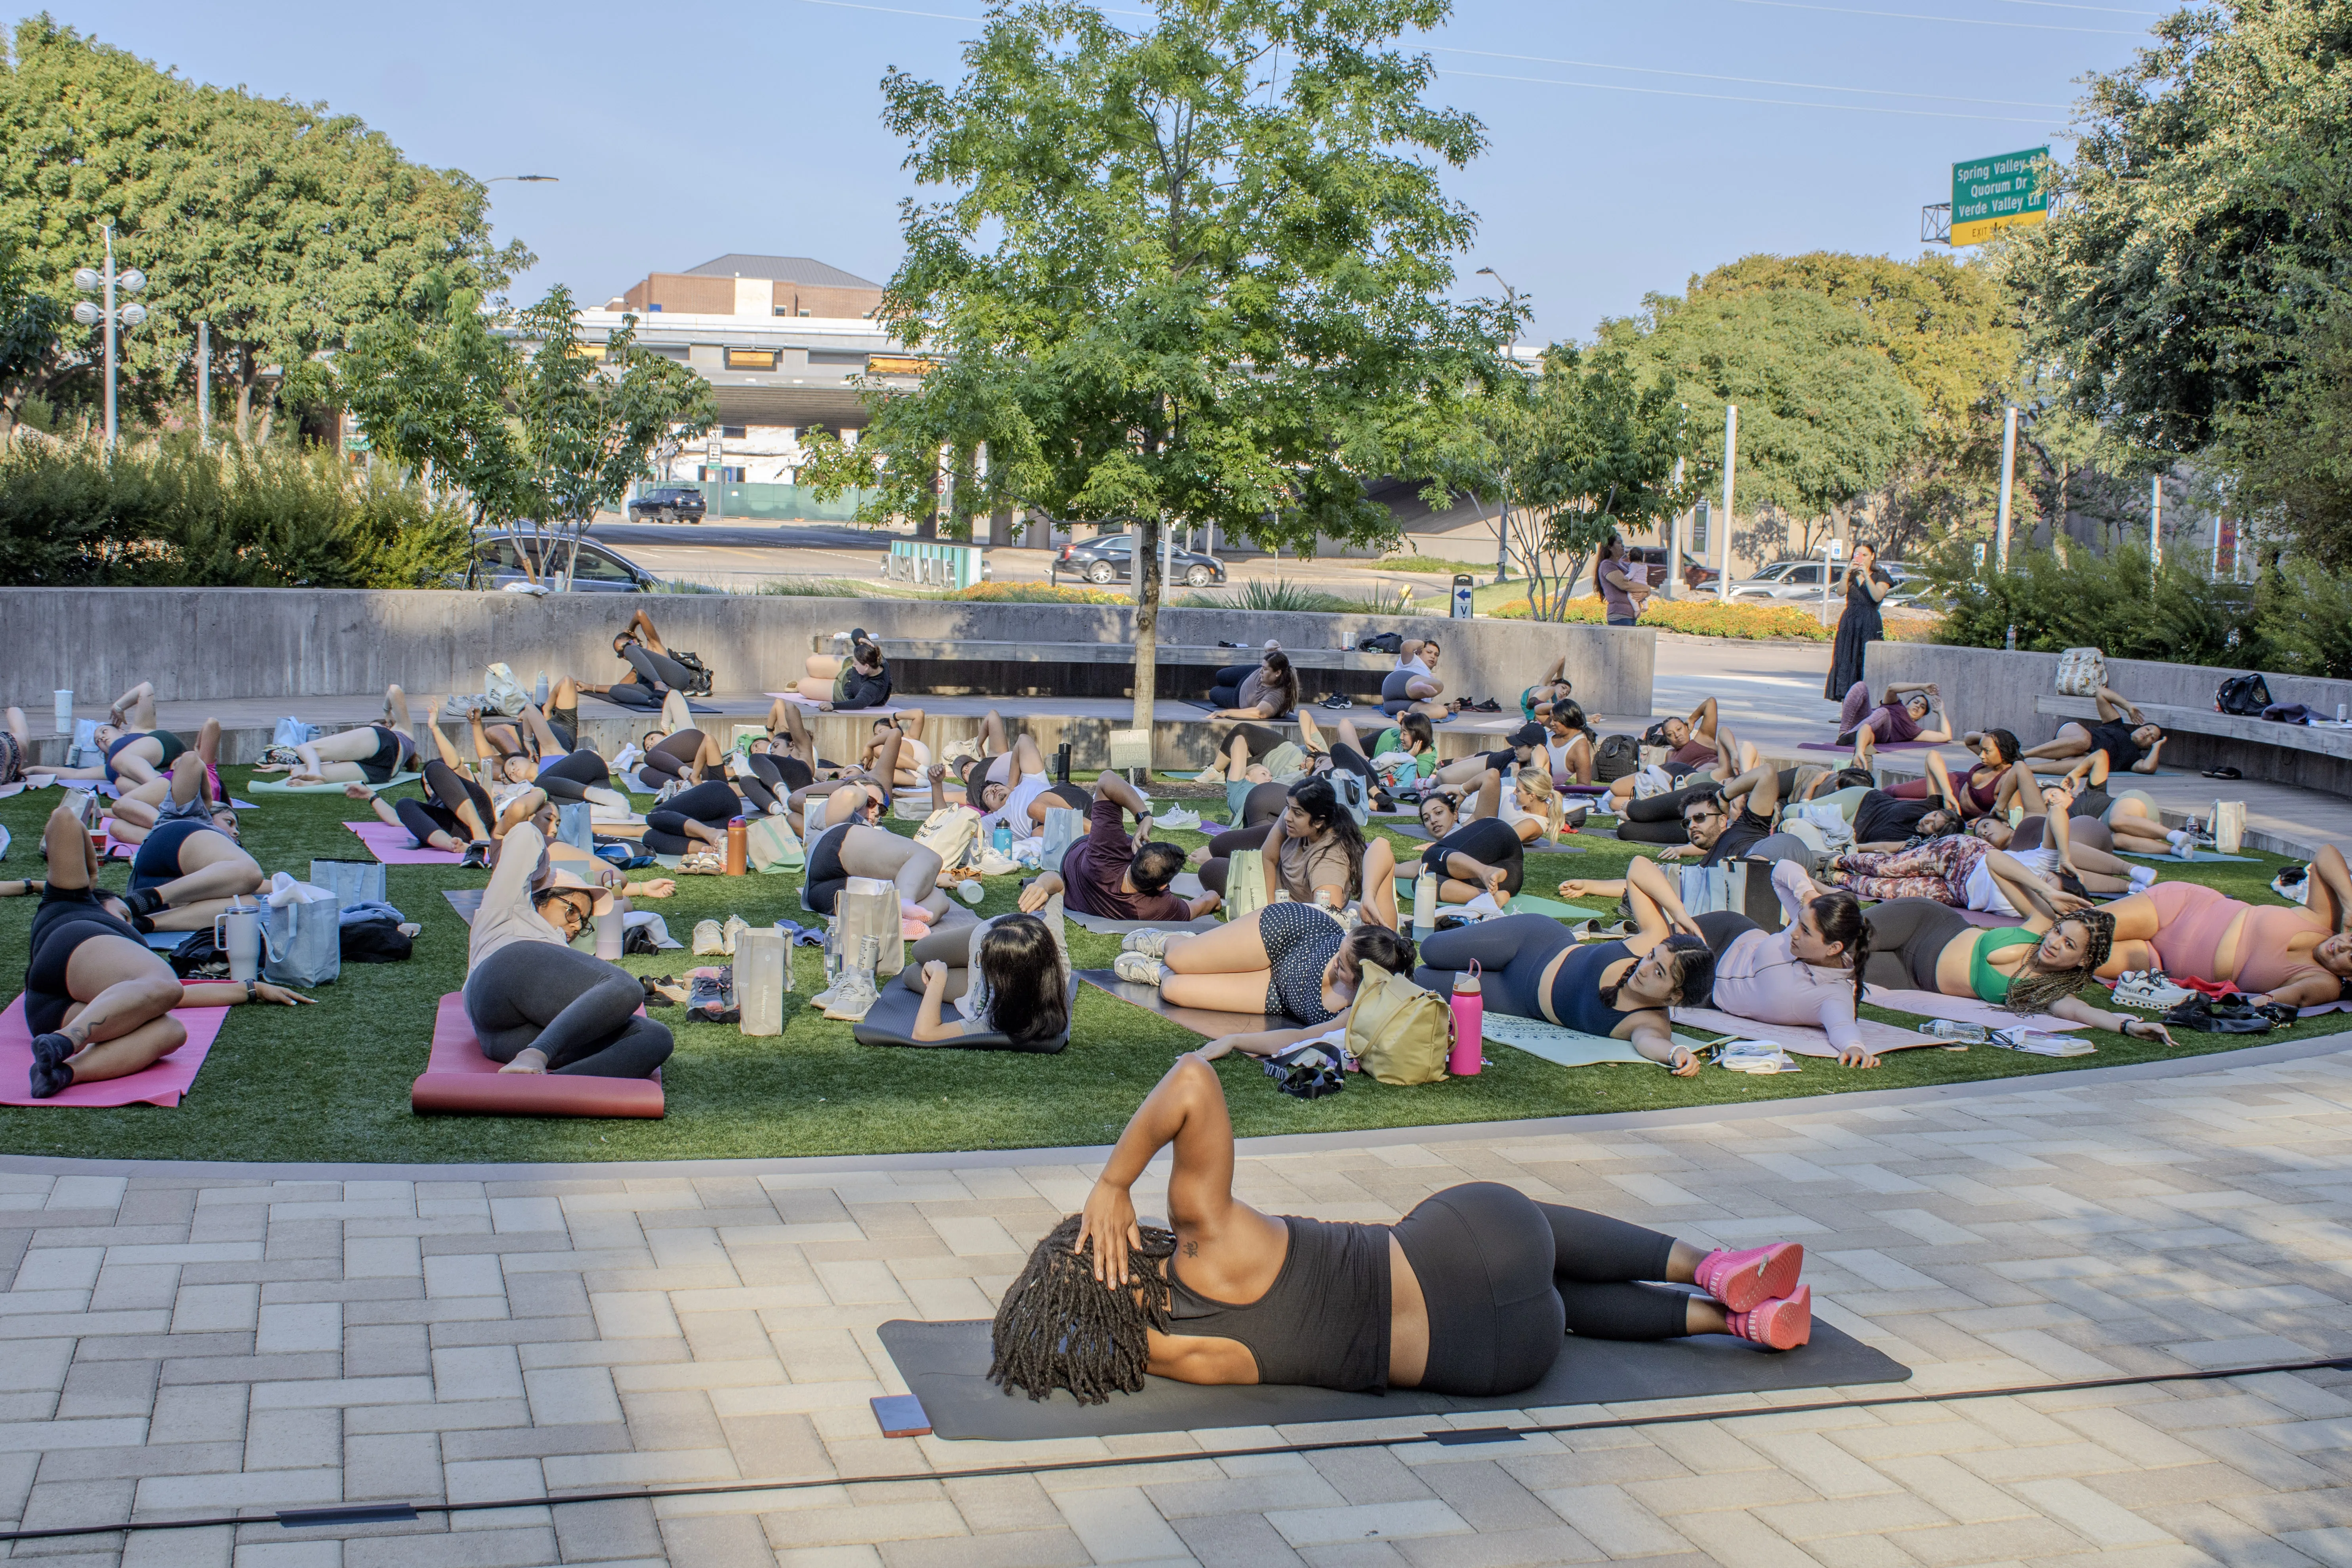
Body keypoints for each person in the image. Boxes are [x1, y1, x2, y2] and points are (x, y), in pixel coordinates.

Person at [987, 1059, 1813, 1410]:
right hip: (1485, 1244)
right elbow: (1194, 1080)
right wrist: (1112, 1183)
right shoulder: (1208, 1240)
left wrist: (1056, 1317)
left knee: (1545, 1298)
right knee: (1523, 1233)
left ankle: (1727, 1320)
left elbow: (1069, 1337)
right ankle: (1713, 1265)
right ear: (1118, 1245)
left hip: (1502, 1361)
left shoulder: (1165, 1353)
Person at [17, 803, 312, 1097]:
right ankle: (67, 1041)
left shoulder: (120, 967)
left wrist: (252, 989)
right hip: (73, 945)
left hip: (47, 1009)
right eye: (124, 914)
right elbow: (64, 817)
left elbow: (173, 995)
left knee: (170, 1032)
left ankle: (61, 1073)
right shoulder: (74, 900)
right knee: (162, 985)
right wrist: (91, 875)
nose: (127, 923)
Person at [1575, 855, 1879, 1068]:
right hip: (1726, 935)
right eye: (1797, 924)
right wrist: (1809, 897)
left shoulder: (1832, 994)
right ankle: (1579, 951)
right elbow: (1782, 871)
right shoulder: (1801, 934)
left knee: (1647, 994)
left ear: (1833, 948)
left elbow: (1843, 1027)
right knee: (1644, 952)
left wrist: (1855, 1049)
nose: (1793, 933)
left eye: (1805, 930)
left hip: (1713, 996)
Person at [464, 822, 674, 1079]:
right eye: (572, 910)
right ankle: (537, 1054)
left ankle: (550, 1086)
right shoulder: (510, 907)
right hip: (501, 976)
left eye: (585, 924)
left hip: (502, 1038)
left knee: (654, 1038)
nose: (577, 925)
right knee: (626, 987)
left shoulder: (557, 955)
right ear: (540, 897)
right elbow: (524, 834)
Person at [1413, 914, 1716, 1075]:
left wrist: (1676, 1054)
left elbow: (1651, 1044)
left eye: (1659, 973)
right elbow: (1638, 866)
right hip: (1533, 941)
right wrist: (1678, 914)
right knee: (1430, 949)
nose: (1645, 968)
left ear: (1675, 996)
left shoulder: (1648, 1023)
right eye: (1651, 957)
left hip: (1515, 998)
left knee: (1419, 978)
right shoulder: (1644, 943)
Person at [1860, 893, 2177, 1040]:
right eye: (2058, 932)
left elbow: (2081, 1012)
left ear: (2083, 960)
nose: (2054, 943)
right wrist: (2047, 892)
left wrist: (2127, 1026)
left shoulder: (2046, 990)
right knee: (1839, 936)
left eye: (2068, 945)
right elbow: (1997, 863)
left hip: (1912, 977)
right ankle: (1807, 889)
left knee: (1831, 961)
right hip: (1925, 924)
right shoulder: (2036, 926)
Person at [2096, 845, 2352, 1008]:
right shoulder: (2325, 919)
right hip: (2181, 909)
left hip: (2158, 963)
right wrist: (2350, 904)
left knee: (2074, 950)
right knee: (2078, 927)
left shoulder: (2324, 982)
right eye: (2351, 941)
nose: (2340, 946)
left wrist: (2264, 1004)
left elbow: (2294, 996)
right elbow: (2325, 854)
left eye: (2350, 957)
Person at [1112, 905, 1413, 1032]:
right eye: (1340, 947)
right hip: (1286, 933)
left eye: (1341, 963)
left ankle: (1161, 969)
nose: (1335, 959)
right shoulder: (1361, 945)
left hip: (1280, 993)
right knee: (1180, 961)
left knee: (1173, 988)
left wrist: (1236, 1042)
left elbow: (1300, 1039)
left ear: (1361, 980)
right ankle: (1173, 944)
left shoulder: (1356, 1010)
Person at [1188, 776, 1399, 927]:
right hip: (1288, 853)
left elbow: (1329, 920)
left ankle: (1228, 860)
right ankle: (1229, 855)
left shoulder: (1328, 865)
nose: (1288, 816)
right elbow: (1268, 857)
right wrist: (1270, 905)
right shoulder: (1295, 818)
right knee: (1218, 845)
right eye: (1288, 808)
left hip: (1290, 891)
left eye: (1296, 812)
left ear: (1319, 822)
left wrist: (1269, 907)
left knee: (1210, 870)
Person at [1019, 773, 1219, 923]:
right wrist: (1215, 898)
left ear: (1135, 852)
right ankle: (1042, 830)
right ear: (1162, 887)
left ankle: (1047, 828)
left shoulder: (1108, 853)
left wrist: (1144, 816)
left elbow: (1106, 779)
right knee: (1039, 827)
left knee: (1039, 813)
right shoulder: (1153, 908)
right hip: (1077, 869)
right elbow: (1201, 906)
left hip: (1078, 851)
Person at [902, 911, 1074, 1047]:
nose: (979, 962)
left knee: (911, 975)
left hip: (977, 982)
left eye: (985, 962)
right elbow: (1058, 888)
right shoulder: (1057, 953)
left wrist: (939, 978)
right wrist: (1043, 884)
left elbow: (923, 1034)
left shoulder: (996, 1015)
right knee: (918, 950)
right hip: (987, 935)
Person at [255, 686, 418, 786]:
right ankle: (316, 776)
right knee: (298, 771)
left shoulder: (402, 730)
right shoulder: (406, 740)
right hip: (383, 773)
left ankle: (315, 772)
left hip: (386, 744)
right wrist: (285, 767)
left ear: (385, 725)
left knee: (304, 747)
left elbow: (395, 690)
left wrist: (386, 712)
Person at [566, 608, 704, 711]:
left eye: (623, 650)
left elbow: (640, 614)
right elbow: (620, 687)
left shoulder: (654, 646)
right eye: (620, 654)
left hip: (678, 678)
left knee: (632, 651)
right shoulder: (637, 670)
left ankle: (659, 684)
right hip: (671, 693)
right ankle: (654, 703)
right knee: (616, 690)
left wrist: (630, 630)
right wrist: (590, 687)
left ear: (635, 641)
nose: (624, 655)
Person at [2024, 685, 2168, 783]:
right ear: (2140, 726)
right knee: (2085, 741)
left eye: (2152, 738)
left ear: (2150, 745)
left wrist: (2158, 746)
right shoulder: (2117, 725)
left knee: (2088, 766)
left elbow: (2149, 768)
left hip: (2076, 758)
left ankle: (2029, 769)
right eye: (2148, 729)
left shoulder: (2134, 760)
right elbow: (2101, 692)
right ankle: (2025, 755)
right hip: (2073, 736)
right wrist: (2128, 706)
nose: (2147, 734)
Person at [1410, 781, 1523, 905]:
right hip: (1510, 879)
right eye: (1427, 819)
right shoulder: (1439, 857)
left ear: (1455, 815)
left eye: (1439, 813)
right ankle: (1491, 898)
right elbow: (1419, 867)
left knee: (1430, 855)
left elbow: (1491, 776)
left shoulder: (1467, 826)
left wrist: (1463, 790)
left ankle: (1486, 872)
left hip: (1499, 836)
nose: (1433, 820)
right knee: (1423, 883)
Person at [1825, 542, 1894, 699]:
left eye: (1865, 555)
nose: (1861, 558)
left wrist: (1867, 576)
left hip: (1869, 620)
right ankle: (1846, 704)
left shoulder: (1881, 576)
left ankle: (1864, 704)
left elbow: (1877, 596)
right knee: (1846, 660)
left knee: (1865, 661)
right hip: (1850, 620)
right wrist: (1846, 573)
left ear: (1873, 557)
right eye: (1858, 554)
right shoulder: (1851, 575)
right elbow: (1841, 593)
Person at [1839, 682, 1952, 766]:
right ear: (1907, 704)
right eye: (1916, 702)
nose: (1918, 706)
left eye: (1922, 707)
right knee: (1861, 686)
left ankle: (1852, 734)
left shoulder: (1914, 731)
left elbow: (1946, 736)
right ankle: (1844, 733)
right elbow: (1891, 688)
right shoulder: (1897, 705)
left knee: (1883, 712)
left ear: (1922, 715)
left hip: (1880, 733)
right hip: (1866, 719)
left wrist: (1941, 712)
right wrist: (1921, 687)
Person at [1208, 648, 1302, 721]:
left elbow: (1260, 713)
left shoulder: (1278, 695)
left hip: (1238, 697)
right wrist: (1275, 650)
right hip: (1248, 675)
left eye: (1265, 669)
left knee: (1213, 693)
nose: (1261, 671)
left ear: (1278, 673)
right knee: (1220, 675)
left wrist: (1227, 713)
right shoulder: (1272, 671)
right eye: (1262, 667)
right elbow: (1273, 647)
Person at [1378, 639, 1444, 717]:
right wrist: (1421, 644)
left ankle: (1409, 717)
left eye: (1436, 655)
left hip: (1393, 705)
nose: (1433, 656)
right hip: (1395, 684)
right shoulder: (1413, 660)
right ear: (1419, 653)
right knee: (1438, 685)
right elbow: (1406, 645)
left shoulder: (1429, 675)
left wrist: (1449, 708)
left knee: (1442, 712)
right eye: (1429, 652)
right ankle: (1415, 688)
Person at [1595, 535, 1650, 627]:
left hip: (1631, 616)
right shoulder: (1608, 565)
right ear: (1610, 547)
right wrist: (1648, 589)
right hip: (1620, 616)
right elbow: (1625, 585)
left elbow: (1639, 582)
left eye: (1623, 543)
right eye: (1619, 543)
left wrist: (1646, 593)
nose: (1623, 546)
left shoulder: (1625, 565)